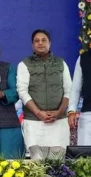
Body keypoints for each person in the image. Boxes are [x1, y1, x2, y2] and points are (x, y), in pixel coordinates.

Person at [16, 29, 72, 160]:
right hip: (34, 122)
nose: (40, 43)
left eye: (43, 40)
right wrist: (38, 113)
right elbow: (22, 91)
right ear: (32, 45)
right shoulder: (24, 64)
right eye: (36, 41)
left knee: (57, 165)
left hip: (58, 122)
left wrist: (59, 112)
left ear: (50, 43)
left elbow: (69, 90)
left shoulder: (60, 63)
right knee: (37, 164)